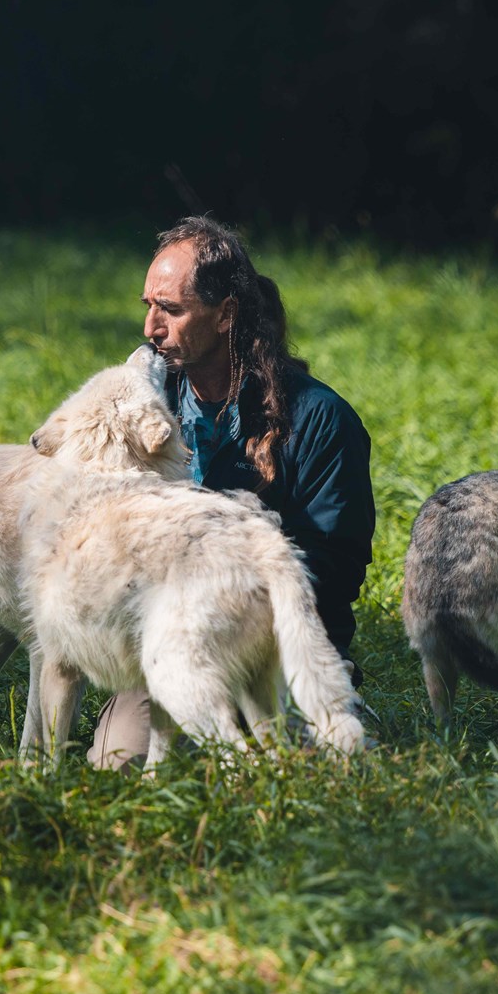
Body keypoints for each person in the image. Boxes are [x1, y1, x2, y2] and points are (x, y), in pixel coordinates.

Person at [88, 215, 376, 769]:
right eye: (148, 306)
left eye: (170, 310)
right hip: (169, 642)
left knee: (318, 770)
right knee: (116, 763)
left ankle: (336, 706)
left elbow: (336, 570)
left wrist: (224, 589)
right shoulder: (146, 406)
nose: (150, 327)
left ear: (225, 314)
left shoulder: (321, 419)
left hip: (275, 644)